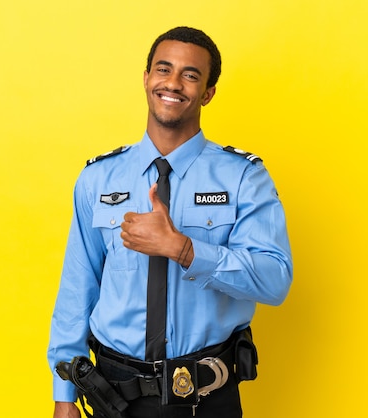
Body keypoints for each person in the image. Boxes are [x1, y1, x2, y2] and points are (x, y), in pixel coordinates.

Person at [48, 26, 293, 418]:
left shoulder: (244, 178)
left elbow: (275, 279)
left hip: (207, 399)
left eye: (190, 75)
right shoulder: (98, 178)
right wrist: (63, 393)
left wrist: (184, 249)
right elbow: (77, 289)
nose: (173, 83)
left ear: (208, 93)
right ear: (147, 78)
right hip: (113, 398)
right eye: (163, 69)